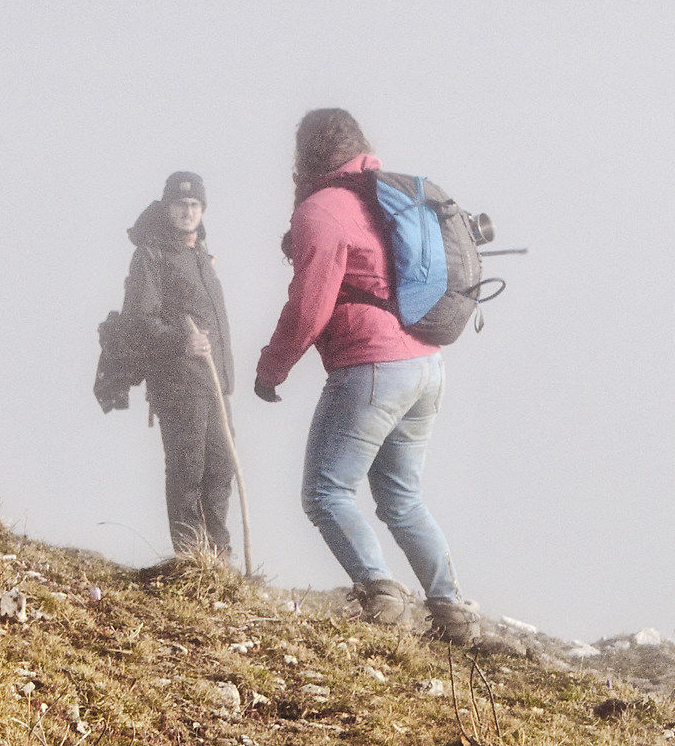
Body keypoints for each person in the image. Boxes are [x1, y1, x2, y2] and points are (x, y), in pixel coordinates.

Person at [254, 109, 478, 643]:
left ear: (305, 156)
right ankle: (453, 613)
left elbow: (309, 308)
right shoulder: (387, 196)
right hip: (427, 363)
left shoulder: (323, 210)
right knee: (402, 497)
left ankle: (382, 597)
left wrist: (271, 369)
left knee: (326, 491)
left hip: (373, 365)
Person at [110, 170, 237, 559]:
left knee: (221, 466)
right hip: (177, 382)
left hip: (214, 382)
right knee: (188, 469)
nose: (187, 212)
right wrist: (182, 341)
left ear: (202, 209)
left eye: (194, 205)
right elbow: (138, 319)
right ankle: (191, 558)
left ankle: (218, 558)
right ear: (167, 207)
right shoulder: (151, 255)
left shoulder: (200, 254)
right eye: (180, 204)